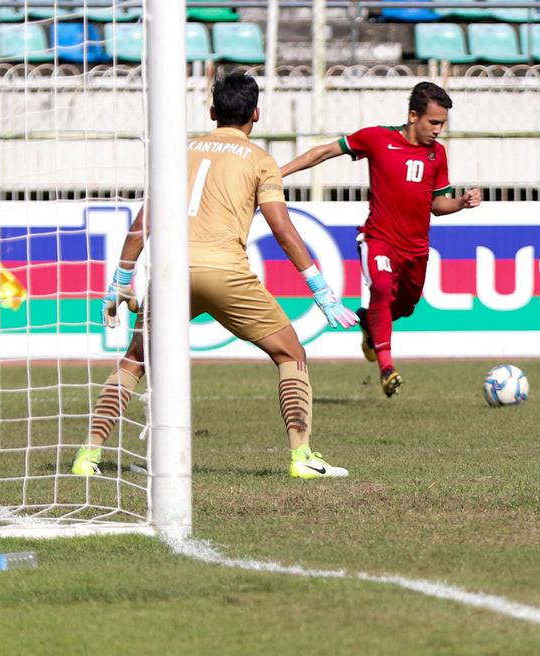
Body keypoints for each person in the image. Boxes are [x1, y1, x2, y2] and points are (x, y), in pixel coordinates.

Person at [70, 73, 359, 480]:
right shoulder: (261, 160)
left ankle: (88, 455)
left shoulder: (180, 152)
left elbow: (144, 219)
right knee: (290, 354)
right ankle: (302, 458)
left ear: (212, 112)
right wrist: (321, 290)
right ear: (256, 113)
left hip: (172, 274)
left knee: (135, 360)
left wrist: (121, 278)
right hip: (226, 274)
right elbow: (282, 229)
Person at [280, 82, 482, 397]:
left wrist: (461, 203)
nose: (439, 130)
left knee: (405, 306)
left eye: (442, 123)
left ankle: (369, 326)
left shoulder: (436, 154)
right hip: (378, 240)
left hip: (416, 250)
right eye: (434, 122)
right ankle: (387, 368)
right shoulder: (377, 139)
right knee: (383, 289)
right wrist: (279, 173)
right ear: (413, 116)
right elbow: (324, 151)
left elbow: (437, 205)